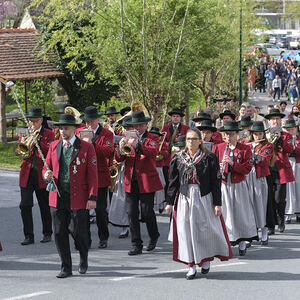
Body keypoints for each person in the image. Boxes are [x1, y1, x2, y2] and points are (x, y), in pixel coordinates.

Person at [165, 128, 232, 280]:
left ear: (200, 141)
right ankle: (191, 265)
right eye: (188, 139)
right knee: (185, 230)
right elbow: (173, 182)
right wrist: (169, 202)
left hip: (203, 197)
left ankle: (206, 259)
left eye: (194, 139)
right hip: (184, 197)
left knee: (204, 229)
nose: (191, 142)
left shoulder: (209, 157)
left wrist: (217, 203)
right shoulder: (178, 158)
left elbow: (216, 182)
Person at [43, 113, 98, 278]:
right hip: (57, 195)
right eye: (60, 128)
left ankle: (83, 258)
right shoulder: (54, 146)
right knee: (59, 232)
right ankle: (66, 266)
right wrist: (46, 174)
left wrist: (92, 197)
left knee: (78, 232)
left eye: (66, 128)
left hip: (79, 196)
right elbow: (46, 167)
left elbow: (93, 175)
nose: (62, 131)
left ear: (74, 129)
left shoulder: (87, 147)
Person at [116, 111, 162, 255]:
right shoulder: (126, 137)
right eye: (136, 125)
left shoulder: (152, 137)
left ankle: (154, 235)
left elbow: (153, 152)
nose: (138, 127)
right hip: (131, 180)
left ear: (146, 125)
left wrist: (138, 146)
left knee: (147, 212)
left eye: (141, 125)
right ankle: (136, 244)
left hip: (146, 180)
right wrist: (121, 149)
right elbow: (119, 158)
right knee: (131, 213)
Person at [213, 121, 258, 256]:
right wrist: (218, 170)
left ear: (237, 135)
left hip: (238, 185)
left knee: (240, 213)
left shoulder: (245, 149)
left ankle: (243, 241)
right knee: (225, 213)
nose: (228, 137)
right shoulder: (218, 147)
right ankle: (226, 241)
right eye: (226, 134)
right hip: (223, 184)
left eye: (231, 134)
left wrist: (233, 164)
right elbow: (212, 166)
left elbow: (247, 169)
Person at [18, 107, 54, 245]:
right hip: (26, 174)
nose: (33, 124)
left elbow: (50, 151)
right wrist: (26, 141)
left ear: (41, 120)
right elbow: (22, 152)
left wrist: (37, 142)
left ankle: (47, 232)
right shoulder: (25, 132)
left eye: (36, 121)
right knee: (25, 205)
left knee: (44, 205)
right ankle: (28, 235)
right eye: (31, 121)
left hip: (41, 174)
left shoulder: (49, 134)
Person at [80, 106, 114, 249]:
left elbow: (108, 151)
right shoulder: (79, 132)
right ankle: (85, 238)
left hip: (100, 175)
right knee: (84, 210)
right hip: (83, 176)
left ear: (98, 119)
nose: (89, 124)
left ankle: (103, 237)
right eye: (87, 121)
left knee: (100, 209)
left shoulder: (107, 134)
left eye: (92, 121)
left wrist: (91, 143)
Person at [265, 109, 295, 234]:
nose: (275, 121)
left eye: (277, 119)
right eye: (273, 119)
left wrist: (280, 139)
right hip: (267, 169)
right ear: (269, 121)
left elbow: (289, 149)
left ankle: (281, 220)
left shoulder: (286, 135)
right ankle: (271, 224)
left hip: (281, 170)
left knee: (279, 199)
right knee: (269, 198)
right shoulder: (265, 134)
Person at [247, 122, 274, 245]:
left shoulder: (268, 146)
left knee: (261, 205)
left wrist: (251, 155)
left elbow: (264, 160)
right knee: (249, 205)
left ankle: (264, 231)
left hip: (260, 178)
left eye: (260, 134)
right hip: (247, 178)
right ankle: (250, 234)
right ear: (252, 135)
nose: (258, 137)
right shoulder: (246, 145)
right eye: (255, 134)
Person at [108, 116, 132, 238]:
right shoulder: (120, 139)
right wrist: (120, 151)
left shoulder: (138, 138)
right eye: (125, 128)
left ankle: (133, 224)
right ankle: (124, 226)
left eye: (129, 128)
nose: (126, 130)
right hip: (123, 172)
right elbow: (117, 157)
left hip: (135, 172)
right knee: (121, 198)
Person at [283, 119, 300, 223]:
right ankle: (288, 212)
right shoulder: (284, 139)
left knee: (298, 187)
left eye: (292, 129)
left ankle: (298, 211)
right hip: (288, 163)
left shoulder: (298, 139)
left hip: (298, 164)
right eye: (288, 130)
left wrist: (293, 147)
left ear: (296, 129)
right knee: (289, 188)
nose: (290, 132)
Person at [149, 127, 169, 213]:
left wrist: (161, 152)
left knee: (161, 184)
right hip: (150, 166)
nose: (155, 136)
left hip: (159, 166)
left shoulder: (163, 143)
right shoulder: (149, 141)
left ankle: (161, 203)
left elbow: (167, 153)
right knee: (151, 186)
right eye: (153, 134)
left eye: (156, 134)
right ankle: (151, 203)